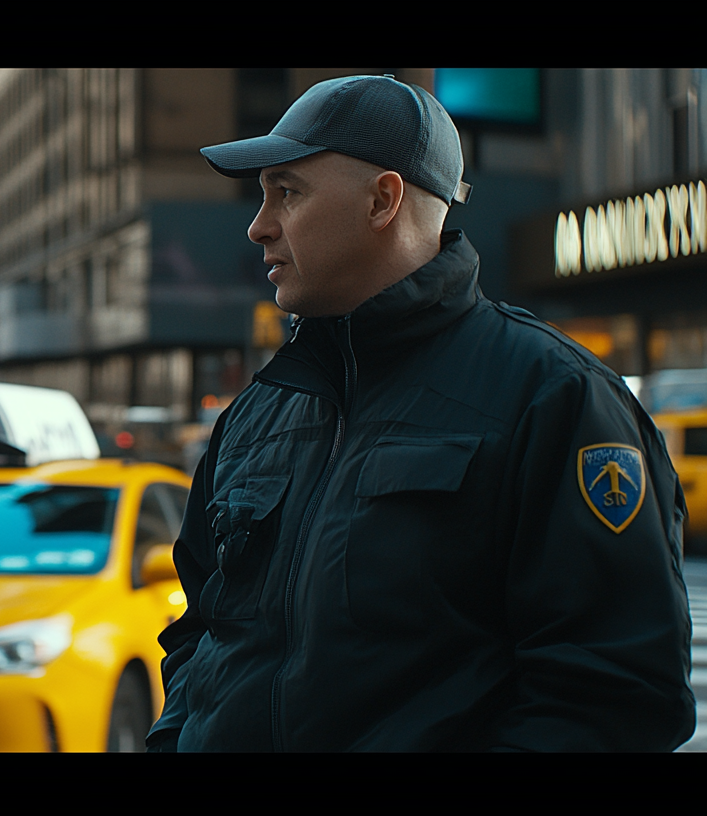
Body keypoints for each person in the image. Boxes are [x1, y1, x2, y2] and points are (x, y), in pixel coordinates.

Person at [147, 75, 696, 751]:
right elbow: (201, 633)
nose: (259, 225)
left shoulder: (555, 398)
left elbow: (615, 694)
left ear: (383, 200)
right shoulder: (259, 414)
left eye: (286, 191)